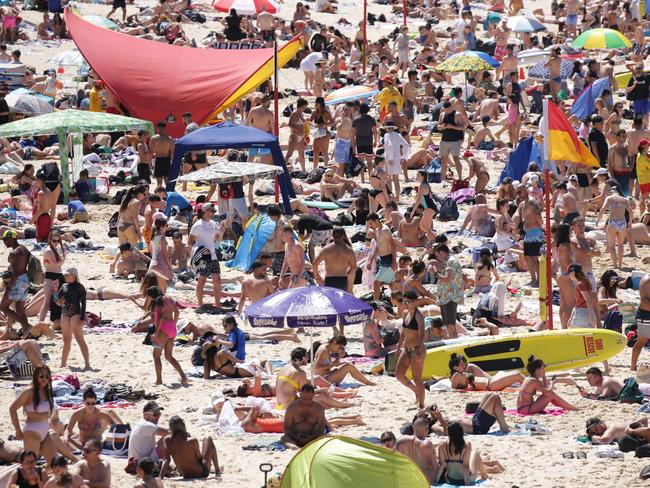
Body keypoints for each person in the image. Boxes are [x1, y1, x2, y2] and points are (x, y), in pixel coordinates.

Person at [9, 366, 55, 462]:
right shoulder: (29, 392)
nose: (45, 379)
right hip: (32, 432)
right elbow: (12, 409)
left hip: (45, 431)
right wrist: (17, 430)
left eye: (47, 376)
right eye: (41, 376)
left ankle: (42, 473)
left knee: (53, 463)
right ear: (35, 376)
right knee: (30, 463)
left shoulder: (47, 391)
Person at [436, 422, 502, 485]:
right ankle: (484, 475)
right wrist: (467, 484)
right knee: (475, 453)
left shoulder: (442, 445)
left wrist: (435, 481)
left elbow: (441, 465)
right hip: (466, 479)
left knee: (469, 458)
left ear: (449, 433)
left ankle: (487, 470)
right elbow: (465, 466)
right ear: (461, 432)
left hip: (450, 480)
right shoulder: (466, 445)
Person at [147, 286, 188, 386]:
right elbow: (177, 312)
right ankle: (183, 376)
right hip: (172, 330)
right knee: (169, 356)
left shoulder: (157, 302)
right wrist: (173, 324)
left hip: (162, 331)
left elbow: (160, 317)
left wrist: (156, 333)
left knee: (156, 356)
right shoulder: (169, 299)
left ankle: (159, 380)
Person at [394, 290, 426, 409]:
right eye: (404, 301)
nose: (406, 304)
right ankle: (415, 391)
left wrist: (419, 349)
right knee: (399, 375)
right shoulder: (405, 313)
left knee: (417, 378)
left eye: (408, 301)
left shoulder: (419, 316)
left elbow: (422, 334)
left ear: (414, 302)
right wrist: (398, 347)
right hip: (406, 348)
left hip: (417, 348)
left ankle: (422, 404)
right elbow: (403, 333)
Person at [189, 203, 224, 307]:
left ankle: (217, 304)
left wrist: (221, 233)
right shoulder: (198, 225)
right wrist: (201, 250)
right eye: (211, 211)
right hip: (203, 258)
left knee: (217, 281)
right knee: (202, 281)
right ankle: (200, 304)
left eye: (214, 211)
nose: (213, 213)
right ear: (204, 211)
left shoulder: (214, 224)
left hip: (213, 256)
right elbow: (190, 242)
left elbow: (217, 241)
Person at [58, 268, 90, 370]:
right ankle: (63, 364)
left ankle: (87, 364)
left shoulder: (80, 287)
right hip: (65, 313)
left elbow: (83, 303)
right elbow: (57, 298)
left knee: (79, 339)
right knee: (66, 340)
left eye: (67, 275)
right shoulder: (64, 286)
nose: (65, 277)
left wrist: (82, 317)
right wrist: (58, 301)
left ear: (73, 275)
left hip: (75, 313)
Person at [1, 229, 32, 336]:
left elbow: (15, 273)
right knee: (19, 309)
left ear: (11, 238)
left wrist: (8, 288)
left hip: (17, 281)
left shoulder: (14, 253)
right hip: (26, 280)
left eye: (5, 239)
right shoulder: (24, 249)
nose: (4, 242)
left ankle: (26, 325)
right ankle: (26, 331)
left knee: (3, 307)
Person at [595, 184, 632, 269]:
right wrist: (630, 221)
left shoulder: (609, 198)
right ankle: (620, 265)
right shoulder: (624, 199)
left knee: (612, 246)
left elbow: (602, 209)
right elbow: (630, 211)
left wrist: (598, 220)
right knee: (620, 245)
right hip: (622, 223)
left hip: (613, 223)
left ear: (611, 192)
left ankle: (615, 265)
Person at [281, 384, 329, 449]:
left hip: (313, 438)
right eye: (304, 398)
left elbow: (321, 427)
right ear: (300, 395)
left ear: (313, 396)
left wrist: (311, 437)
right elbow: (287, 427)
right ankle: (295, 448)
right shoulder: (292, 408)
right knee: (284, 438)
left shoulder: (318, 408)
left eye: (309, 399)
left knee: (324, 436)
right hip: (295, 438)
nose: (306, 401)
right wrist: (296, 437)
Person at [432, 244, 464, 338]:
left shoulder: (450, 262)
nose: (437, 258)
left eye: (437, 255)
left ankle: (454, 345)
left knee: (450, 325)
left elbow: (447, 279)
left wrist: (435, 273)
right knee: (449, 325)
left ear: (441, 252)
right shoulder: (449, 261)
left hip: (450, 297)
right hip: (447, 296)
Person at [312, 227, 357, 295]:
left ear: (332, 235)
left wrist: (317, 276)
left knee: (331, 301)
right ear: (343, 236)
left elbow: (315, 264)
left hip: (330, 279)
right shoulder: (349, 251)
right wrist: (347, 274)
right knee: (341, 301)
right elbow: (354, 267)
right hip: (343, 279)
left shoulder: (326, 249)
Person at [395, 417, 438, 484]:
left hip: (405, 480)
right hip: (423, 482)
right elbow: (432, 467)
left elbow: (395, 460)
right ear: (426, 429)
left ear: (413, 427)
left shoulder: (401, 440)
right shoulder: (426, 444)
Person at [449, 353, 524, 391]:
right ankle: (531, 389)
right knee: (517, 375)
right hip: (490, 385)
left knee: (517, 373)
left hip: (490, 383)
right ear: (455, 367)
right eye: (461, 364)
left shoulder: (462, 373)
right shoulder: (456, 376)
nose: (464, 365)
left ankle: (531, 388)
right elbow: (452, 390)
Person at [367, 213, 396, 300]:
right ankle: (400, 301)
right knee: (391, 284)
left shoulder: (385, 230)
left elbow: (393, 245)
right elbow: (378, 246)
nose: (370, 226)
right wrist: (371, 260)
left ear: (376, 220)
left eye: (371, 223)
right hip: (383, 259)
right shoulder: (377, 230)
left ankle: (376, 304)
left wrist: (394, 261)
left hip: (388, 259)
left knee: (376, 283)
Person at [567, 263, 599, 328]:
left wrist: (591, 316)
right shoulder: (586, 282)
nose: (568, 275)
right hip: (585, 312)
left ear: (573, 272)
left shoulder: (580, 284)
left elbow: (588, 301)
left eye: (569, 273)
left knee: (575, 335)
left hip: (581, 314)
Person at [631, 273, 650, 371]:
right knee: (641, 342)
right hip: (645, 315)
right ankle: (633, 367)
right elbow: (645, 301)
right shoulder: (647, 280)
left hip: (645, 314)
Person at [148, 218, 173, 291]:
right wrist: (170, 267)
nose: (167, 227)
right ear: (162, 226)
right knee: (163, 285)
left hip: (153, 261)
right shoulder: (162, 238)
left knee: (153, 285)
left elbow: (150, 250)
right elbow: (164, 254)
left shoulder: (153, 237)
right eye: (166, 225)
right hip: (161, 263)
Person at [149, 122, 174, 187]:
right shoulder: (169, 139)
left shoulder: (154, 138)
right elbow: (172, 152)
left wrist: (149, 162)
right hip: (166, 160)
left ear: (157, 128)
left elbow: (151, 151)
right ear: (164, 128)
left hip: (158, 160)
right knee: (167, 181)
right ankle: (167, 194)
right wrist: (172, 161)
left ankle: (159, 195)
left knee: (159, 183)